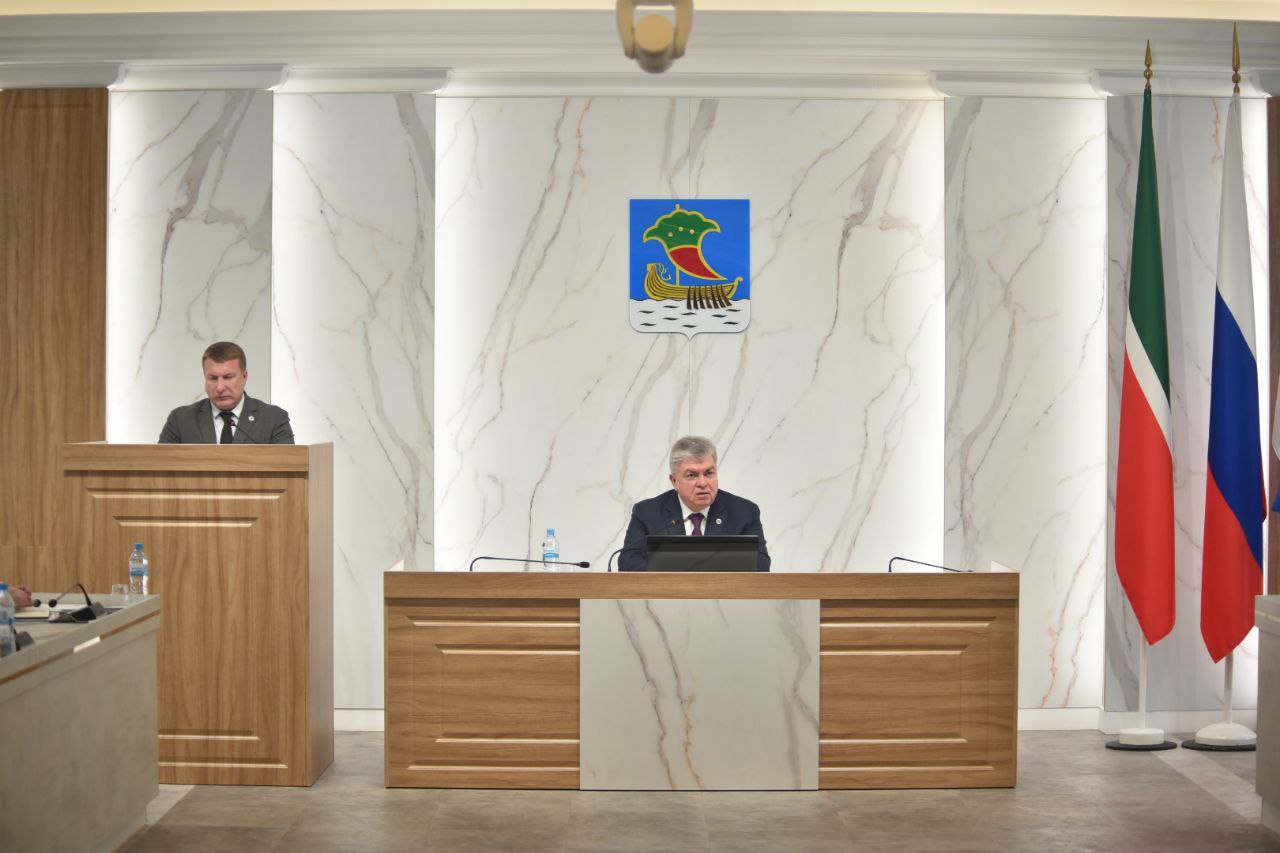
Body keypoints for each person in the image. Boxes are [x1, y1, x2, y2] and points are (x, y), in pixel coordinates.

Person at [619, 435, 770, 572]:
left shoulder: (744, 512)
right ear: (674, 481)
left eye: (709, 473)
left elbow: (761, 565)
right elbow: (628, 562)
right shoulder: (647, 513)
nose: (703, 483)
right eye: (692, 475)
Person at [158, 341, 294, 444]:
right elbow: (160, 467)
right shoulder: (180, 420)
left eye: (228, 377)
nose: (220, 387)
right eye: (213, 378)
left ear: (245, 376)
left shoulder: (274, 419)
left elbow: (288, 468)